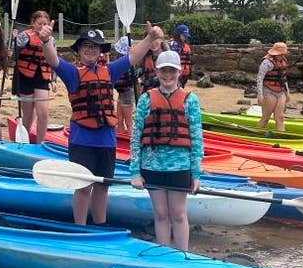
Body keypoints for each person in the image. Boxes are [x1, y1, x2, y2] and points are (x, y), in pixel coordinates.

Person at [39, 22, 164, 225]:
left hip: (106, 140)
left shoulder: (110, 71)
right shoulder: (72, 74)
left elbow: (132, 57)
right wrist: (46, 40)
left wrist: (150, 39)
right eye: (86, 46)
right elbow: (53, 60)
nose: (90, 49)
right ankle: (79, 225)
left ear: (100, 52)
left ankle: (100, 224)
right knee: (82, 186)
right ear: (79, 50)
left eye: (95, 46)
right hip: (82, 140)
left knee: (102, 186)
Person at [129, 50, 203, 252]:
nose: (168, 75)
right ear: (157, 72)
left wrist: (196, 174)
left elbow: (196, 139)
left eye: (172, 71)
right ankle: (164, 256)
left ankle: (182, 256)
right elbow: (136, 137)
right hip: (151, 167)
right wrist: (135, 172)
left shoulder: (190, 100)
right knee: (161, 214)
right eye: (163, 71)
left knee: (178, 214)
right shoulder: (146, 99)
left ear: (179, 72)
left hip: (180, 168)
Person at [14, 10, 57, 141]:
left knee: (43, 113)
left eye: (45, 24)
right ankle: (25, 142)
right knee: (28, 114)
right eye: (39, 23)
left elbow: (54, 60)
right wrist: (14, 40)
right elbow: (13, 51)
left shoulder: (51, 40)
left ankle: (40, 142)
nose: (42, 26)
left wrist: (53, 80)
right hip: (24, 76)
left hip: (42, 77)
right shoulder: (25, 36)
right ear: (33, 23)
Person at [256, 41, 290, 132]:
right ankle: (256, 136)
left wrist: (288, 93)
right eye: (281, 54)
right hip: (269, 91)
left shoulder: (283, 61)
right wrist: (260, 96)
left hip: (281, 91)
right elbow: (260, 79)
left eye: (283, 54)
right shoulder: (267, 63)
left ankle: (282, 138)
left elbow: (284, 78)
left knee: (280, 118)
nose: (282, 56)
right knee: (266, 118)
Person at [113, 35, 136, 133]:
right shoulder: (125, 62)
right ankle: (122, 139)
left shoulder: (126, 62)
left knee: (125, 121)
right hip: (123, 93)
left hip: (125, 93)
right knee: (122, 121)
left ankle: (130, 142)